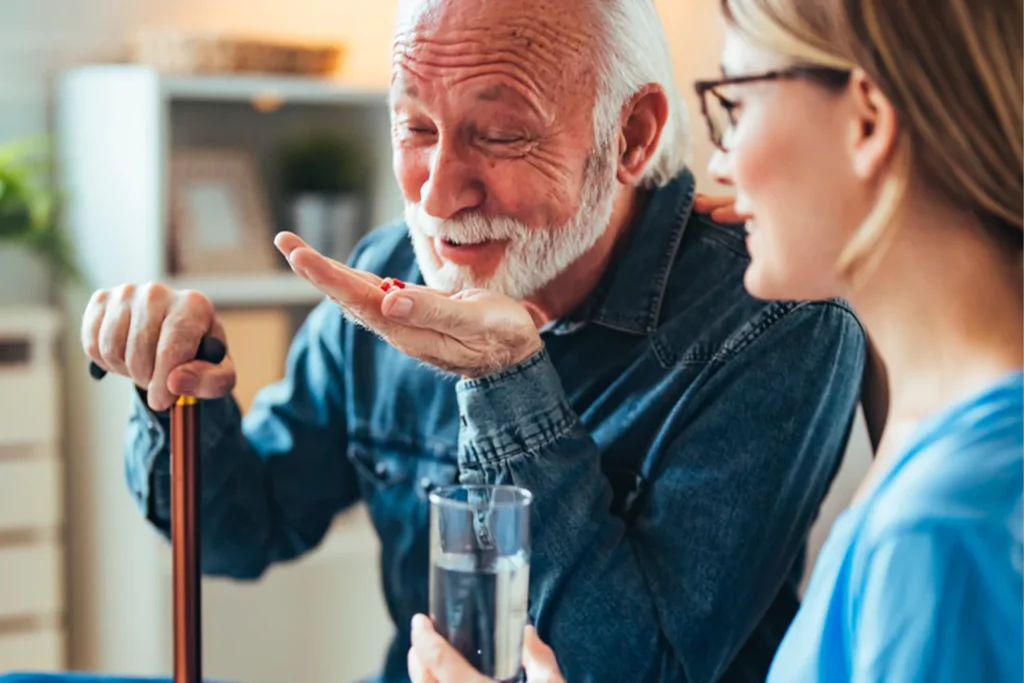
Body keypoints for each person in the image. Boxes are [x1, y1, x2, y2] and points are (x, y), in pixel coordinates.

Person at [74, 1, 866, 682]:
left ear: (632, 135)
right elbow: (241, 531)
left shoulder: (776, 315)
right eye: (415, 125)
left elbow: (629, 667)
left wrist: (506, 378)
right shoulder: (388, 270)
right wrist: (178, 386)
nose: (438, 190)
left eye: (499, 134)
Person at [408, 0, 1024, 681]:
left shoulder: (942, 532)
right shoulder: (953, 457)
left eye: (734, 105)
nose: (720, 165)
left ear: (867, 124)